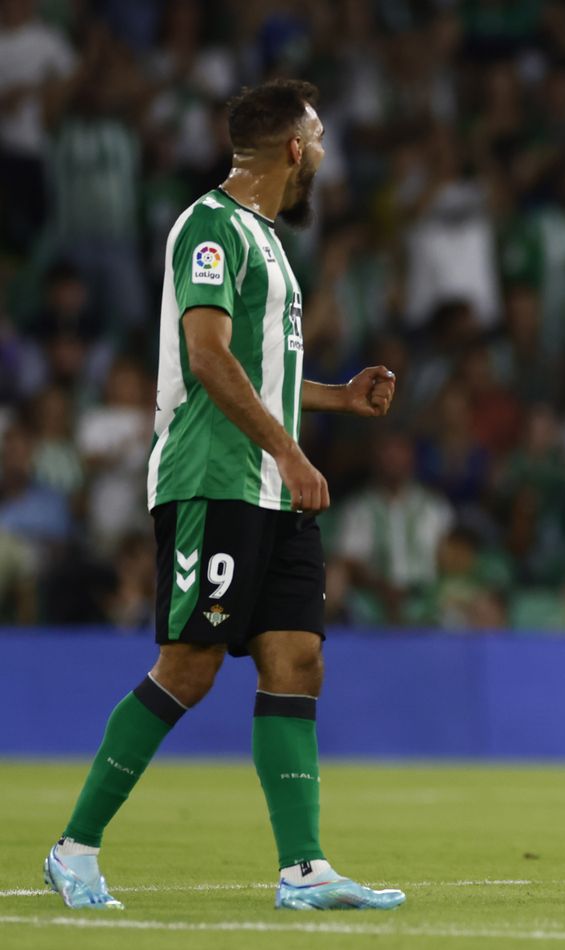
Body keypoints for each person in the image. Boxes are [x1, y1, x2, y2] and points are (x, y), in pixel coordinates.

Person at [42, 79, 404, 912]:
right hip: (214, 479)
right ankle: (75, 848)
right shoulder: (211, 229)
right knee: (190, 665)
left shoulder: (268, 241)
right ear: (291, 150)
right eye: (317, 137)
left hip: (272, 487)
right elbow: (207, 357)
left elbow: (259, 371)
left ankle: (304, 868)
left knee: (298, 661)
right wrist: (289, 448)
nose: (322, 152)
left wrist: (338, 398)